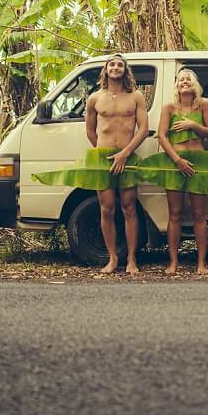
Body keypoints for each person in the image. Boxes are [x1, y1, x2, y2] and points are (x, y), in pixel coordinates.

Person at [84, 54, 149, 274]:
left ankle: (131, 259)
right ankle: (112, 258)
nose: (116, 67)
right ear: (106, 70)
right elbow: (90, 131)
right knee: (107, 209)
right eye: (112, 64)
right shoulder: (94, 98)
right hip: (103, 160)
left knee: (129, 208)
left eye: (120, 64)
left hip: (128, 158)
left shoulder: (136, 97)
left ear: (125, 70)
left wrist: (125, 153)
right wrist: (102, 153)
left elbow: (143, 129)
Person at [157, 68, 208, 275]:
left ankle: (201, 264)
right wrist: (178, 160)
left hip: (199, 163)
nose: (184, 81)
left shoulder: (204, 105)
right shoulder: (169, 108)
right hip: (175, 163)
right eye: (181, 79)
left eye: (188, 79)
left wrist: (193, 124)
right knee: (175, 214)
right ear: (176, 85)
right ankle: (173, 263)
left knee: (200, 215)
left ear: (195, 84)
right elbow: (162, 136)